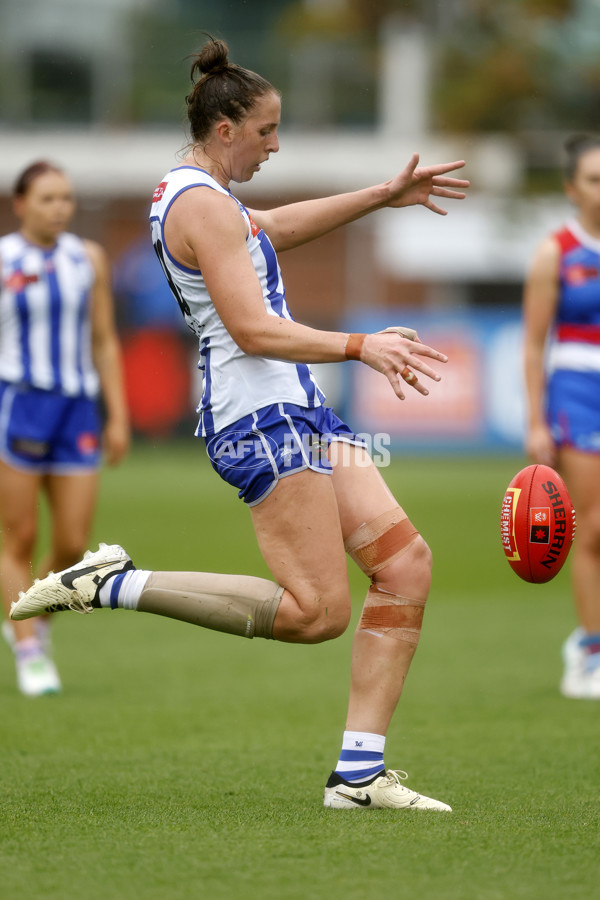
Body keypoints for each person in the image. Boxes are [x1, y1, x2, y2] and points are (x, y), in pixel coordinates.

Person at [11, 39, 469, 808]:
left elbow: (275, 227)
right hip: (260, 415)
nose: (276, 144)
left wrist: (379, 194)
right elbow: (252, 330)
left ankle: (358, 776)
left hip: (294, 405)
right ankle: (115, 585)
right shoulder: (196, 203)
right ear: (225, 129)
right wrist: (361, 345)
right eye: (266, 131)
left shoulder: (208, 198)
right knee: (315, 613)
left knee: (406, 565)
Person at [0, 161, 130, 696]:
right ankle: (29, 647)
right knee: (20, 536)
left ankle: (31, 621)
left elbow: (103, 339)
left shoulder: (87, 257)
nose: (60, 208)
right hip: (19, 403)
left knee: (74, 545)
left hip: (76, 409)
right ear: (21, 204)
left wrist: (116, 414)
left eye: (67, 198)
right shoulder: (4, 258)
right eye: (48, 198)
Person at [523, 134, 600, 700]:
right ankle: (589, 650)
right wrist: (535, 421)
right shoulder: (557, 252)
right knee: (593, 530)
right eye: (594, 179)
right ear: (573, 189)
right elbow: (532, 344)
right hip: (577, 396)